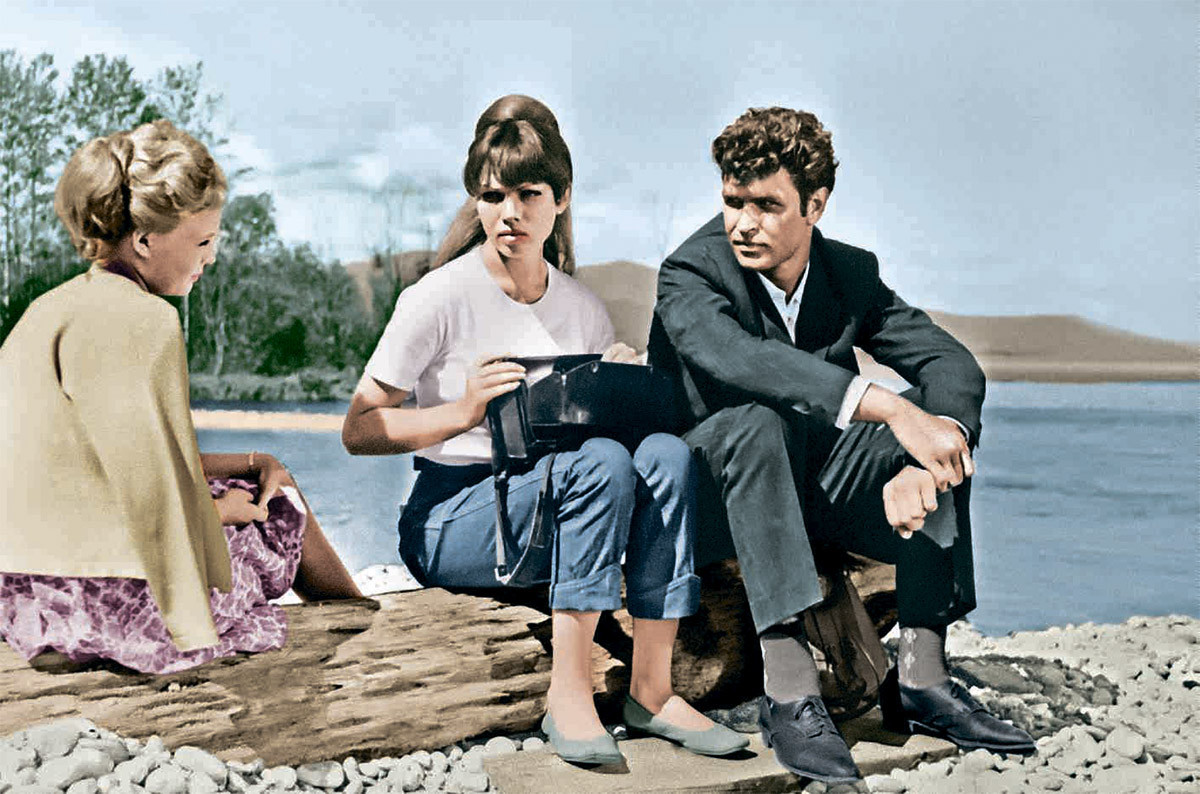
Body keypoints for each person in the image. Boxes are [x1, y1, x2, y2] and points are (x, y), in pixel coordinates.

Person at [342, 96, 746, 766]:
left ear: (561, 199)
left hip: (553, 507)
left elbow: (604, 447)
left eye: (529, 194)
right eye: (492, 195)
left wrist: (620, 387)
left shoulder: (581, 308)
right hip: (450, 516)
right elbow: (358, 429)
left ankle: (652, 689)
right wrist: (463, 411)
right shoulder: (437, 298)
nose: (510, 212)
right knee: (603, 465)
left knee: (665, 455)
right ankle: (568, 693)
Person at [648, 107, 1036, 783]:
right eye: (733, 202)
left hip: (812, 492)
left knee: (938, 428)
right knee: (757, 422)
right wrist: (887, 406)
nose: (743, 223)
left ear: (815, 205)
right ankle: (789, 692)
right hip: (711, 503)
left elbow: (950, 362)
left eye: (767, 205)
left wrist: (924, 458)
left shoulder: (848, 273)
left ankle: (922, 679)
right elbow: (743, 360)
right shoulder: (690, 273)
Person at [0, 119, 362, 676]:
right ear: (145, 240)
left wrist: (254, 460)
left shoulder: (47, 310)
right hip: (107, 602)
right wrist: (220, 513)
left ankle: (355, 614)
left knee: (268, 476)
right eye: (203, 242)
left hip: (24, 593)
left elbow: (105, 466)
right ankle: (361, 626)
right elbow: (147, 492)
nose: (210, 258)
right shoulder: (146, 320)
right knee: (279, 507)